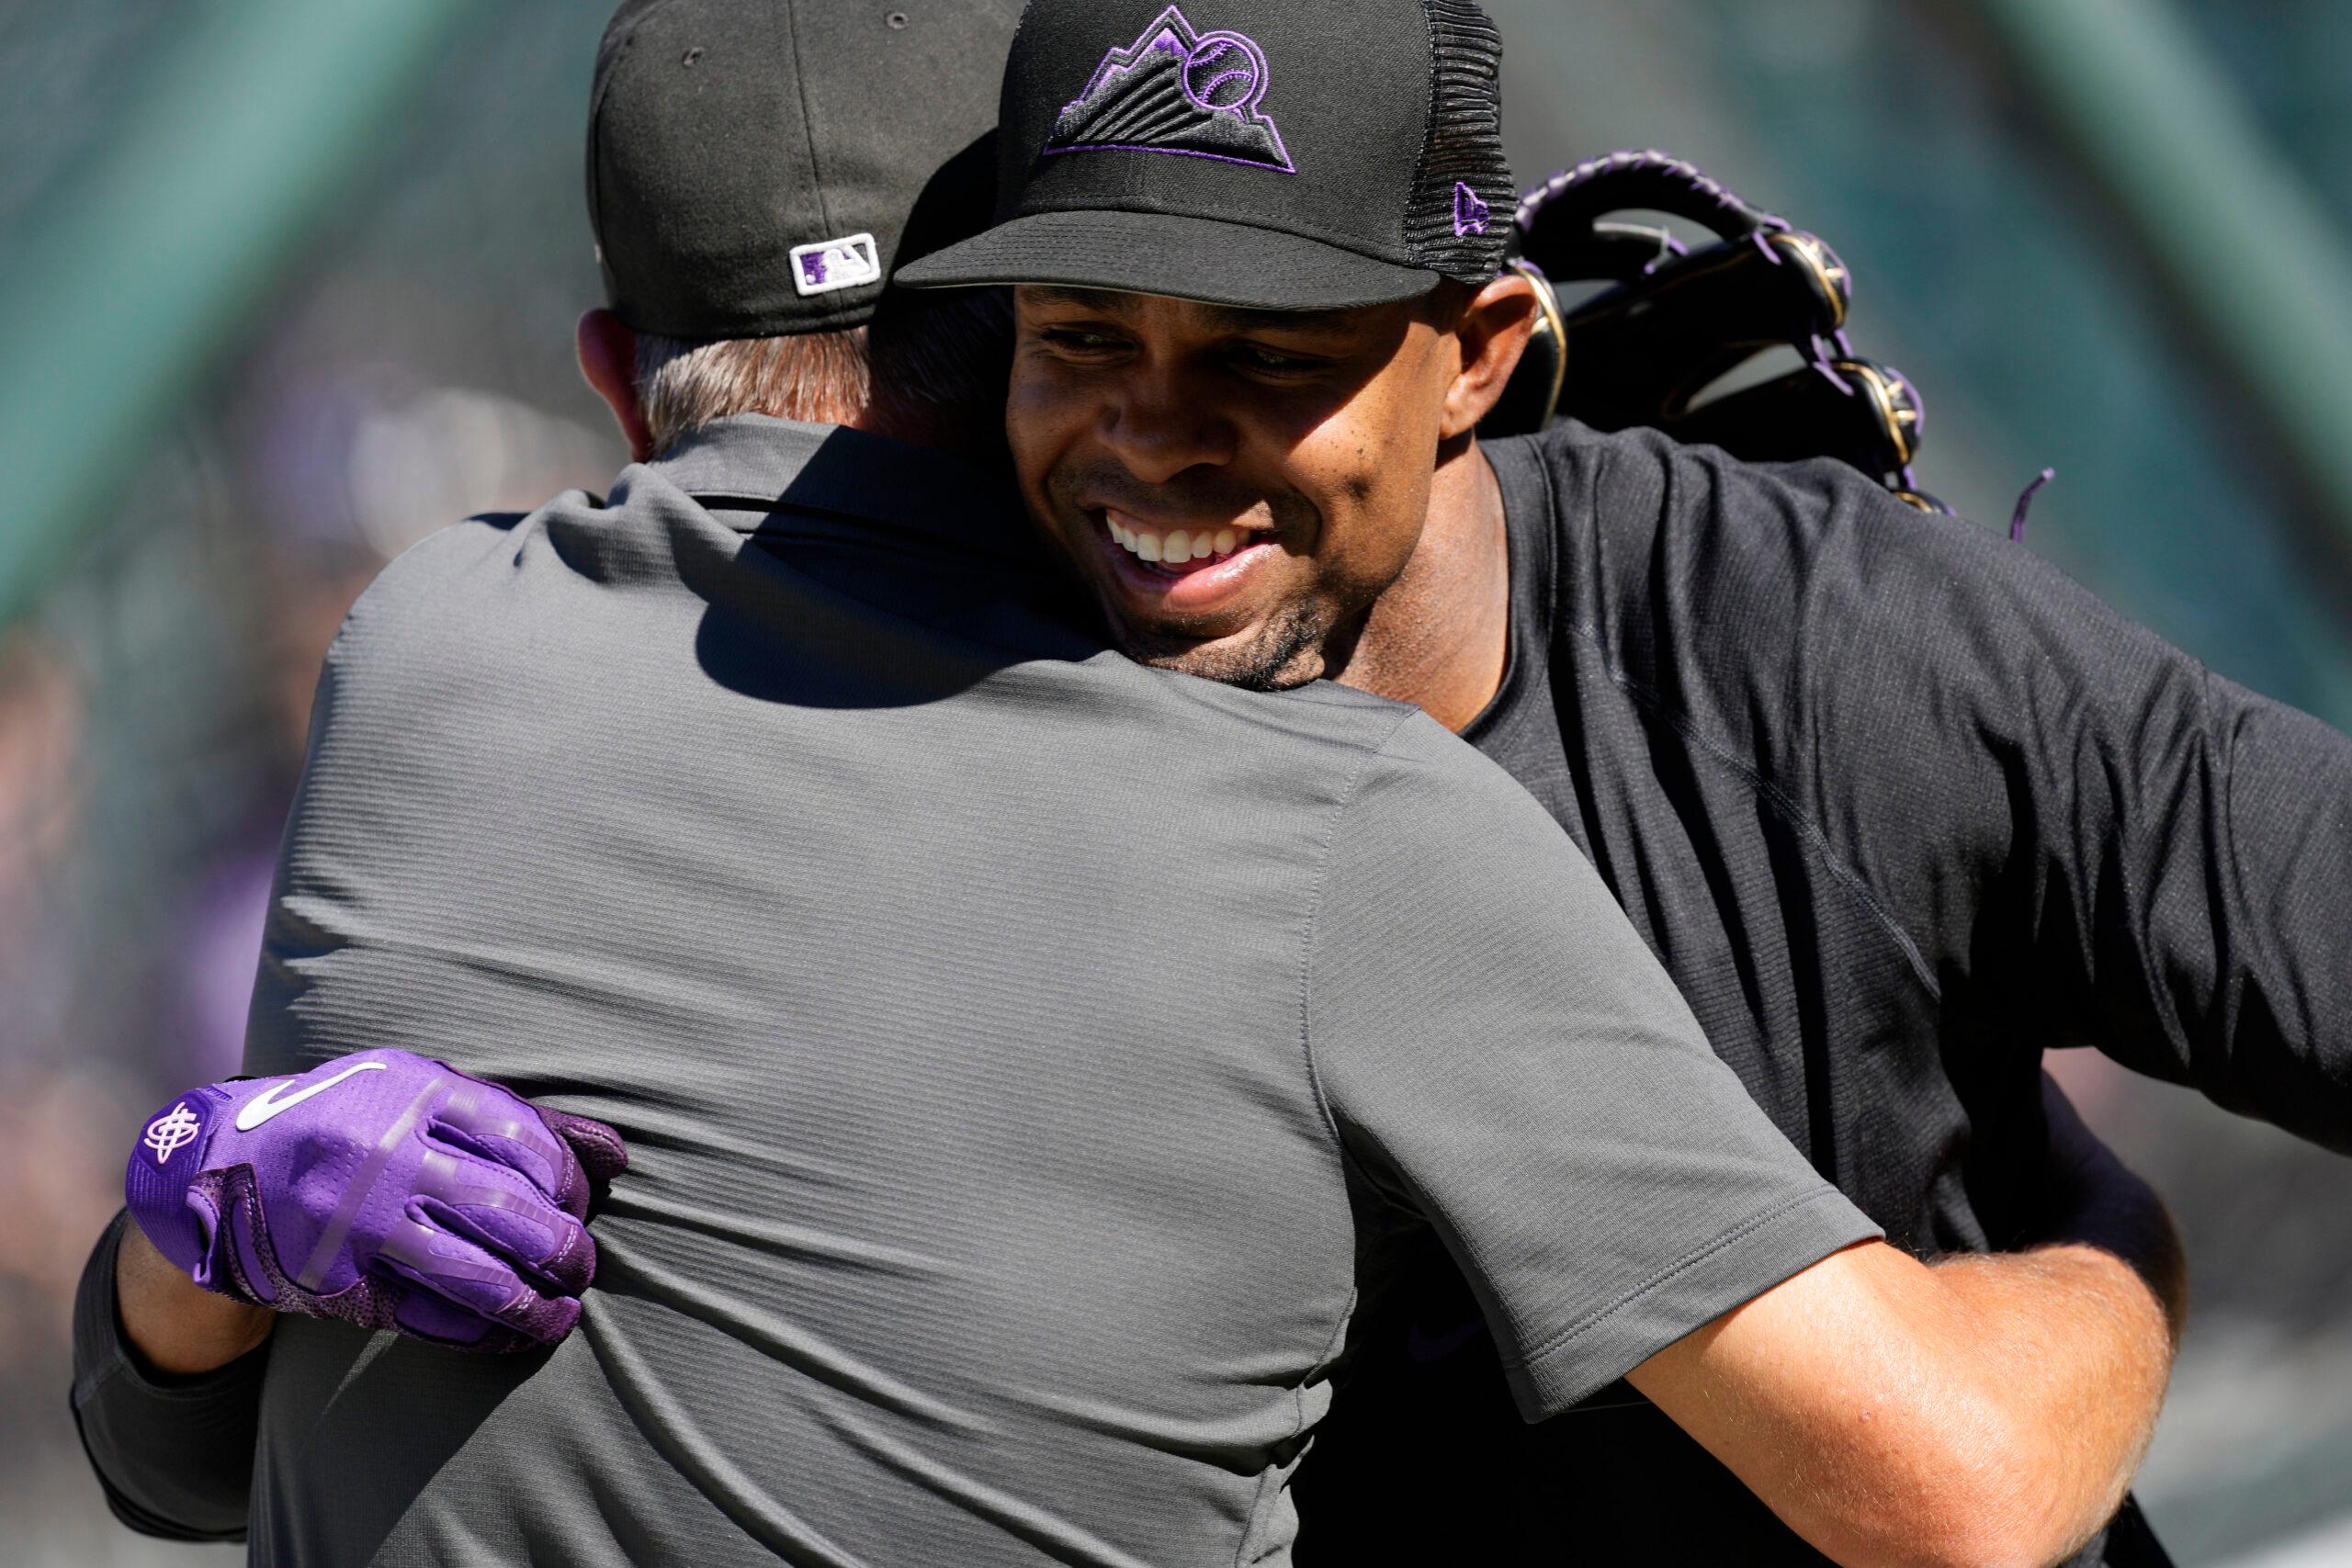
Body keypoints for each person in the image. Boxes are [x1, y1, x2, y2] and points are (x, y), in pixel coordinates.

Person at [72, 2, 2192, 1565]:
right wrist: (2086, 1221)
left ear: (616, 383)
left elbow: (172, 1461)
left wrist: (192, 1222)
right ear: (1044, 334)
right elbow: (1959, 1494)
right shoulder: (1332, 826)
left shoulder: (421, 656)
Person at [897, 0, 2352, 1562]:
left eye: (1265, 348)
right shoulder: (951, 710)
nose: (1155, 436)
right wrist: (2108, 1255)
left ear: (1477, 356)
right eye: (1083, 335)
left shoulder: (1802, 644)